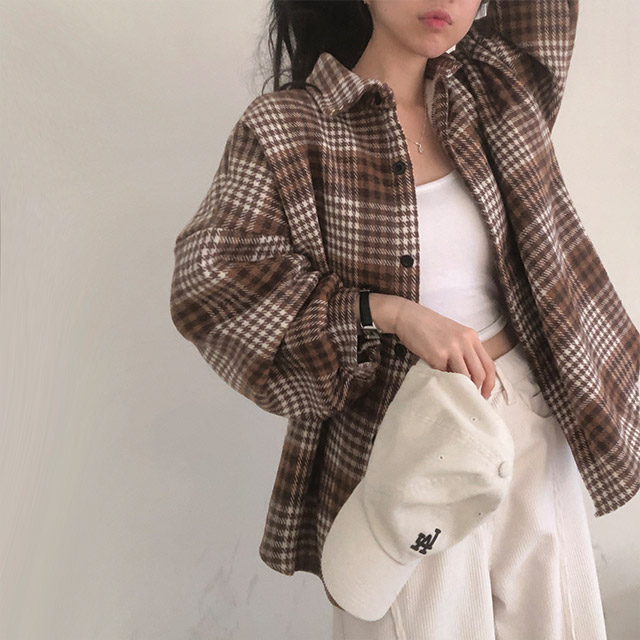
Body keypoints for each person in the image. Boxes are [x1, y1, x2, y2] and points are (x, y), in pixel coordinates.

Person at [170, 1, 640, 637]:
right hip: (402, 445)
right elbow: (209, 285)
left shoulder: (495, 91)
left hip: (528, 426)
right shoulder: (289, 129)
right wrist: (384, 313)